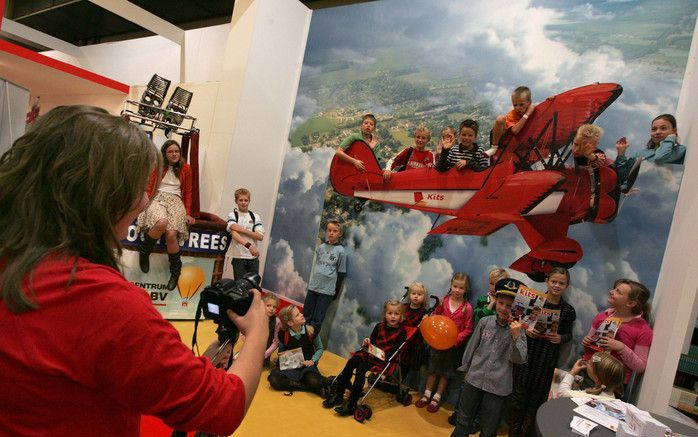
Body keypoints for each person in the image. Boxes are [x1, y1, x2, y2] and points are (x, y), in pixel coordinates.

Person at [0, 105, 268, 436]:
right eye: (136, 188)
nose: (143, 202)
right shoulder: (104, 302)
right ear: (100, 195)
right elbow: (221, 408)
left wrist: (198, 363)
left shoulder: (16, 260)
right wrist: (256, 333)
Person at [451, 278, 527, 437]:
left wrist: (515, 337)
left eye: (509, 305)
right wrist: (466, 369)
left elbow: (519, 359)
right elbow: (472, 347)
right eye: (500, 303)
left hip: (497, 385)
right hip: (474, 378)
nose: (504, 308)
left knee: (489, 428)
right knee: (463, 420)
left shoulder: (519, 330)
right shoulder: (485, 322)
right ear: (495, 301)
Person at [509, 267, 577, 437]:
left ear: (567, 286)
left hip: (546, 360)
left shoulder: (568, 310)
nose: (556, 285)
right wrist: (526, 329)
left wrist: (560, 338)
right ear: (547, 281)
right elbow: (517, 320)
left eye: (561, 283)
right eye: (553, 281)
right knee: (518, 399)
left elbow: (569, 334)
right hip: (527, 355)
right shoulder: (534, 301)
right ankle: (512, 433)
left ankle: (525, 434)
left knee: (535, 401)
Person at [323, 300, 406, 416]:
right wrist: (367, 342)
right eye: (390, 313)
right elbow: (371, 342)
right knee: (351, 362)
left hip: (382, 359)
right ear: (385, 315)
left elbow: (393, 352)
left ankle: (352, 403)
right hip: (369, 354)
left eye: (396, 314)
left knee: (361, 369)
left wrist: (378, 353)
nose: (393, 316)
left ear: (401, 316)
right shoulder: (379, 326)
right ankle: (339, 395)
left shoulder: (401, 333)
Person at [137, 139, 195, 291]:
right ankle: (145, 252)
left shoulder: (186, 168)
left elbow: (188, 192)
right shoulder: (157, 165)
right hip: (158, 197)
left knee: (171, 234)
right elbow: (149, 186)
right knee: (161, 223)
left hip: (176, 201)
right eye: (170, 151)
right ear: (165, 153)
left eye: (176, 151)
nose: (174, 154)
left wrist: (188, 213)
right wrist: (143, 203)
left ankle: (175, 271)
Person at [416, 272, 474, 413]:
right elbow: (435, 318)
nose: (457, 290)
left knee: (445, 373)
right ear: (451, 285)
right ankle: (427, 394)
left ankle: (437, 397)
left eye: (461, 288)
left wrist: (456, 339)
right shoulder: (443, 301)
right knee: (432, 370)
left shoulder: (467, 308)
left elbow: (468, 328)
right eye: (455, 286)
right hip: (437, 345)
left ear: (466, 290)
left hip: (453, 348)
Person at [582, 279, 653, 384]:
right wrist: (587, 341)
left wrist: (621, 347)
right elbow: (590, 345)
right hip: (587, 373)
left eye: (618, 292)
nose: (611, 291)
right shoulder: (602, 316)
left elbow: (640, 367)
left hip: (612, 384)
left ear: (630, 303)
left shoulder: (643, 330)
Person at [267, 305, 329, 397]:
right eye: (297, 315)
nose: (302, 314)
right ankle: (311, 388)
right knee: (274, 380)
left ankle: (325, 382)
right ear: (290, 323)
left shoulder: (311, 331)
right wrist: (280, 366)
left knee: (315, 382)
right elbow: (282, 354)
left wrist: (313, 360)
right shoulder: (283, 334)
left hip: (307, 366)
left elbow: (320, 348)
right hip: (292, 365)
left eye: (300, 312)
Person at [615, 114, 686, 191]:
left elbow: (659, 159)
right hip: (636, 198)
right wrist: (621, 153)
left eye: (663, 128)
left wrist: (670, 138)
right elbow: (623, 179)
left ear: (674, 131)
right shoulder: (640, 153)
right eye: (654, 129)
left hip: (662, 197)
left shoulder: (679, 150)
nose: (657, 132)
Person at [302, 220, 347, 330]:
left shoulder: (341, 251)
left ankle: (311, 344)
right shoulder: (321, 247)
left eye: (335, 231)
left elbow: (341, 273)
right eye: (329, 230)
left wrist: (335, 292)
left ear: (339, 234)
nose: (331, 233)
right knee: (305, 316)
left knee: (317, 320)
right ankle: (301, 342)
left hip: (327, 291)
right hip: (314, 287)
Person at [226, 188, 265, 279]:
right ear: (236, 201)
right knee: (240, 286)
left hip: (253, 257)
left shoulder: (255, 216)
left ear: (249, 201)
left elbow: (260, 236)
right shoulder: (232, 215)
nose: (243, 202)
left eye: (246, 200)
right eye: (241, 200)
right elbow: (234, 233)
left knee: (253, 286)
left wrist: (243, 230)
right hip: (238, 257)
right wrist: (249, 245)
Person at [489, 86, 537, 155]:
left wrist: (551, 100)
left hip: (523, 142)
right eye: (515, 105)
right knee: (500, 119)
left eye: (521, 104)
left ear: (529, 102)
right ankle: (493, 149)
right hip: (503, 141)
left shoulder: (535, 110)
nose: (518, 108)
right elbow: (515, 131)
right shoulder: (512, 114)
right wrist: (527, 114)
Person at [559, 353, 625, 399]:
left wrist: (572, 372)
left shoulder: (589, 397)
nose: (587, 361)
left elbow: (562, 393)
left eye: (590, 364)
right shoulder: (609, 393)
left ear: (597, 378)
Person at [401, 281, 428, 370]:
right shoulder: (403, 307)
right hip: (399, 338)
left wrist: (425, 321)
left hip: (412, 342)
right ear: (409, 295)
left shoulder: (423, 312)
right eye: (413, 293)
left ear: (424, 297)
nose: (416, 296)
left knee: (405, 365)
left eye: (419, 294)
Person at [263, 293, 282, 367]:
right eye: (268, 305)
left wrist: (266, 354)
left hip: (265, 353)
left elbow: (276, 342)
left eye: (274, 307)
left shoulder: (277, 322)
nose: (271, 308)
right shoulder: (256, 316)